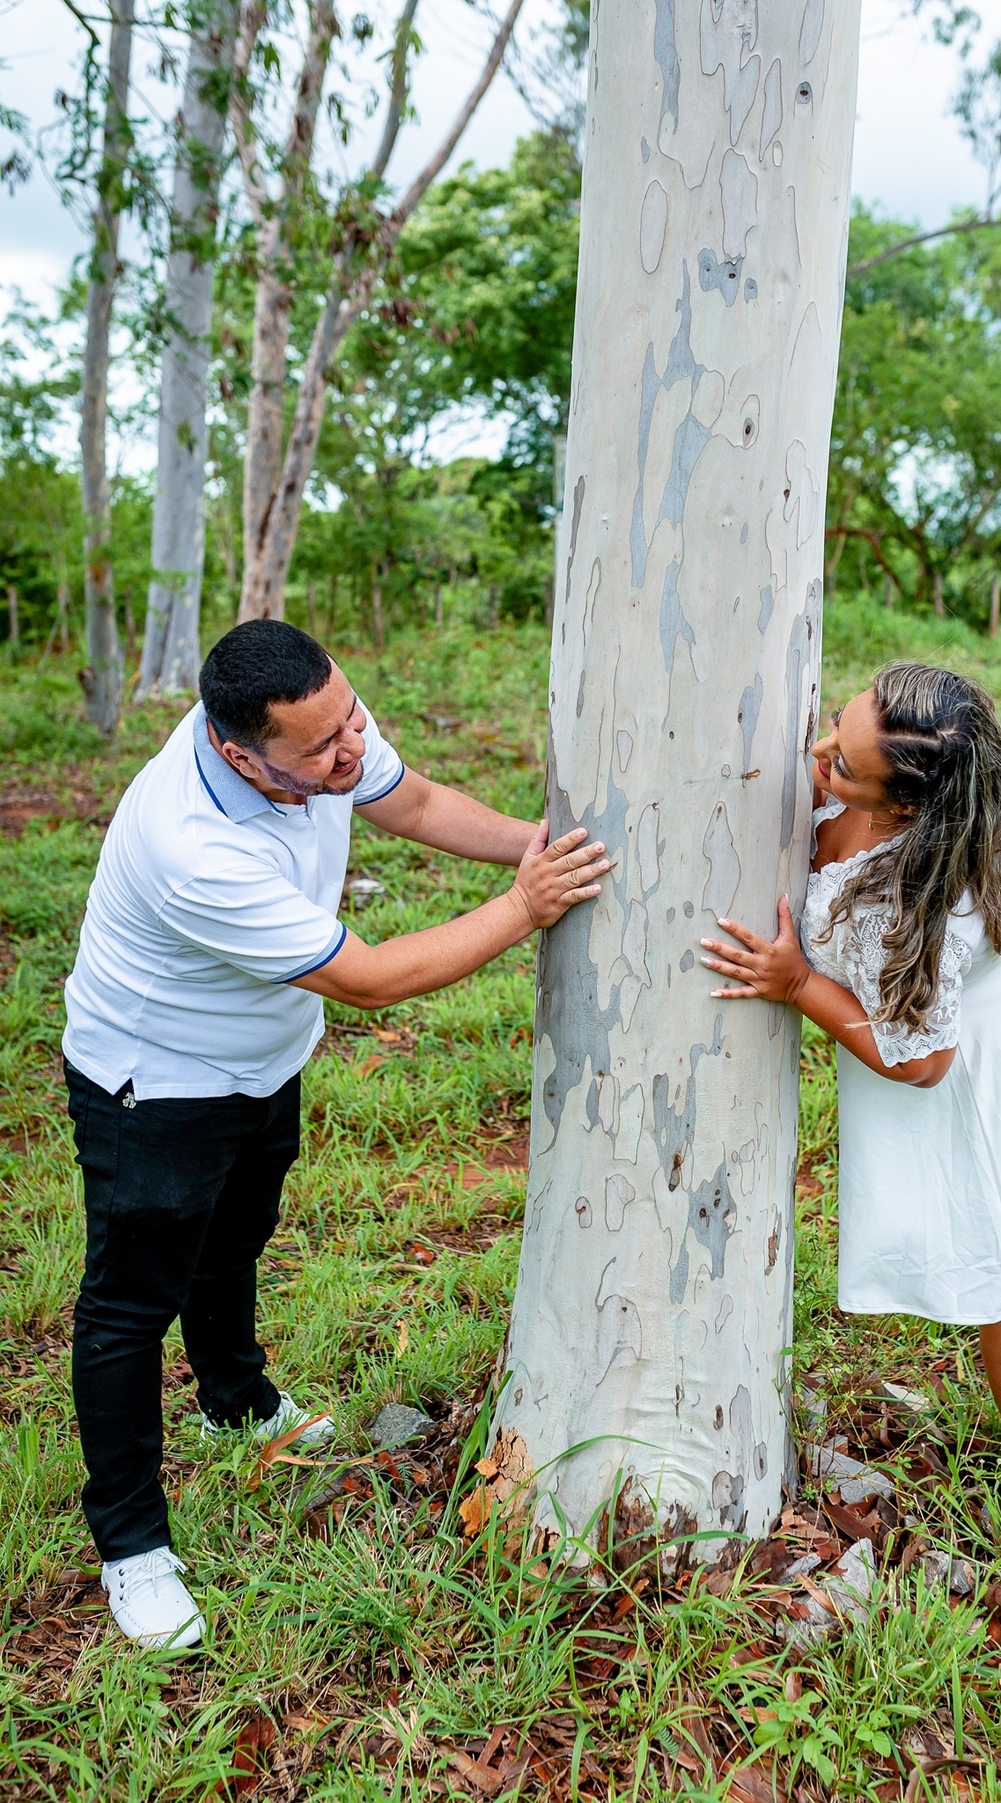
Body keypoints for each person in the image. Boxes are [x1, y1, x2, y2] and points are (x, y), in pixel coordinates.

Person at [62, 619, 609, 1651]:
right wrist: (524, 905)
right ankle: (132, 1547)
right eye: (320, 750)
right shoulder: (191, 845)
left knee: (234, 1241)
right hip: (156, 1084)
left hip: (262, 1060)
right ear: (239, 753)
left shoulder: (317, 727)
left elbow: (414, 799)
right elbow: (371, 979)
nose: (348, 751)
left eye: (350, 717)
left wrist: (538, 845)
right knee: (130, 1306)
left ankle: (235, 1398)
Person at [698, 661, 1001, 1487]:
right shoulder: (895, 769)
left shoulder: (923, 887)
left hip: (998, 1058)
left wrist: (800, 981)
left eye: (843, 762)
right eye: (837, 723)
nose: (821, 748)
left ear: (905, 802)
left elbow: (924, 1060)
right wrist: (832, 771)